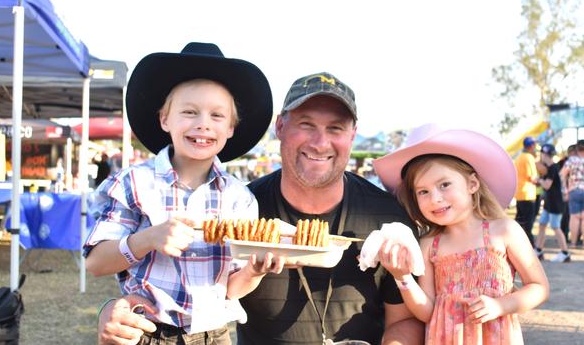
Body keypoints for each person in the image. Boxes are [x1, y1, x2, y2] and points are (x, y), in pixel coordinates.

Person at [97, 72, 425, 345]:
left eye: (335, 128)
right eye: (307, 124)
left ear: (352, 134)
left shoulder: (386, 219)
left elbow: (406, 321)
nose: (320, 142)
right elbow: (188, 284)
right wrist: (114, 309)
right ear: (280, 127)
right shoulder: (241, 206)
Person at [86, 43, 284, 344]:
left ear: (231, 128)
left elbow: (231, 288)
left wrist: (255, 270)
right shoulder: (133, 183)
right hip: (147, 331)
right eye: (189, 112)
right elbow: (96, 262)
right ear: (165, 119)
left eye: (217, 116)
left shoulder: (239, 199)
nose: (203, 123)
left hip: (213, 336)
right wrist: (149, 238)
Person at [373, 123, 549, 344]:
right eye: (423, 191)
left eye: (444, 184)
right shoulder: (429, 245)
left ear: (472, 184)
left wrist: (500, 305)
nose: (435, 198)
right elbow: (428, 313)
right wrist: (403, 277)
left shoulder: (504, 230)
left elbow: (539, 287)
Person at [534, 144, 571, 262]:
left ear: (545, 155)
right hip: (549, 203)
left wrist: (538, 180)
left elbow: (547, 185)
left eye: (542, 154)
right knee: (542, 225)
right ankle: (538, 250)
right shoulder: (550, 167)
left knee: (555, 227)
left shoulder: (553, 168)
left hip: (555, 203)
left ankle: (565, 253)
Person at [514, 136, 539, 246]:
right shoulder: (529, 158)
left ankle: (515, 242)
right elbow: (532, 177)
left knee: (519, 220)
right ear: (532, 146)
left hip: (520, 193)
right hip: (528, 194)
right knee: (528, 223)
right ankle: (530, 245)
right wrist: (541, 181)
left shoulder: (519, 157)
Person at [558, 144, 577, 242]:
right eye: (574, 152)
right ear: (570, 152)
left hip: (572, 192)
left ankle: (567, 235)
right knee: (565, 215)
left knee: (569, 215)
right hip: (565, 192)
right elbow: (560, 177)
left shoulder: (575, 162)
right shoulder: (563, 162)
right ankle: (563, 236)